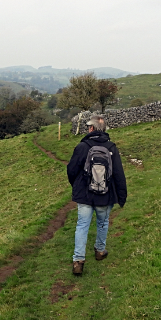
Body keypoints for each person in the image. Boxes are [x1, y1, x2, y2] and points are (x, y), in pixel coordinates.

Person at [67, 115, 127, 275]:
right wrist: (122, 196)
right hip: (105, 195)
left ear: (92, 128)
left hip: (84, 195)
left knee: (82, 225)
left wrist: (77, 186)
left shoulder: (82, 146)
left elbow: (71, 170)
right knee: (102, 223)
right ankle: (100, 251)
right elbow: (119, 174)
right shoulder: (111, 148)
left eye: (88, 127)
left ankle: (78, 261)